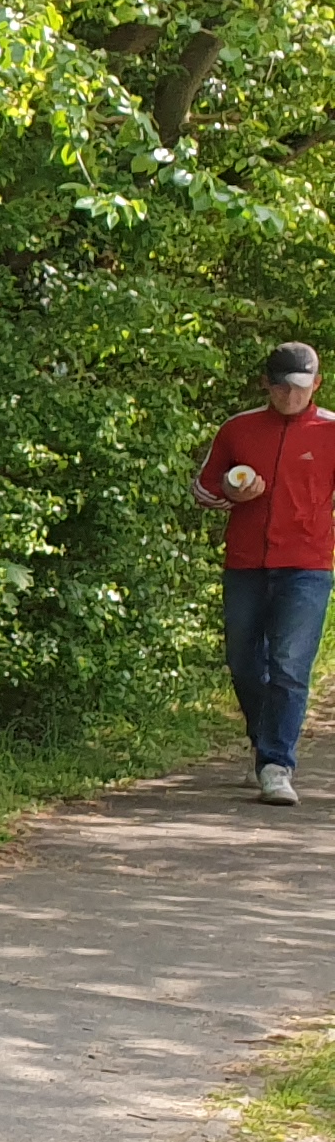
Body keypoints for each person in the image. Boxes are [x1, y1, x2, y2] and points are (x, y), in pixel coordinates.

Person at [195, 342, 335, 806]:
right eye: (280, 386)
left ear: (316, 383)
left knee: (290, 665)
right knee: (243, 659)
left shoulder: (331, 431)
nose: (289, 396)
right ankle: (264, 735)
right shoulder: (238, 429)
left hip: (308, 565)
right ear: (265, 384)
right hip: (246, 563)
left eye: (298, 387)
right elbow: (204, 487)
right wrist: (233, 495)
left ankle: (277, 764)